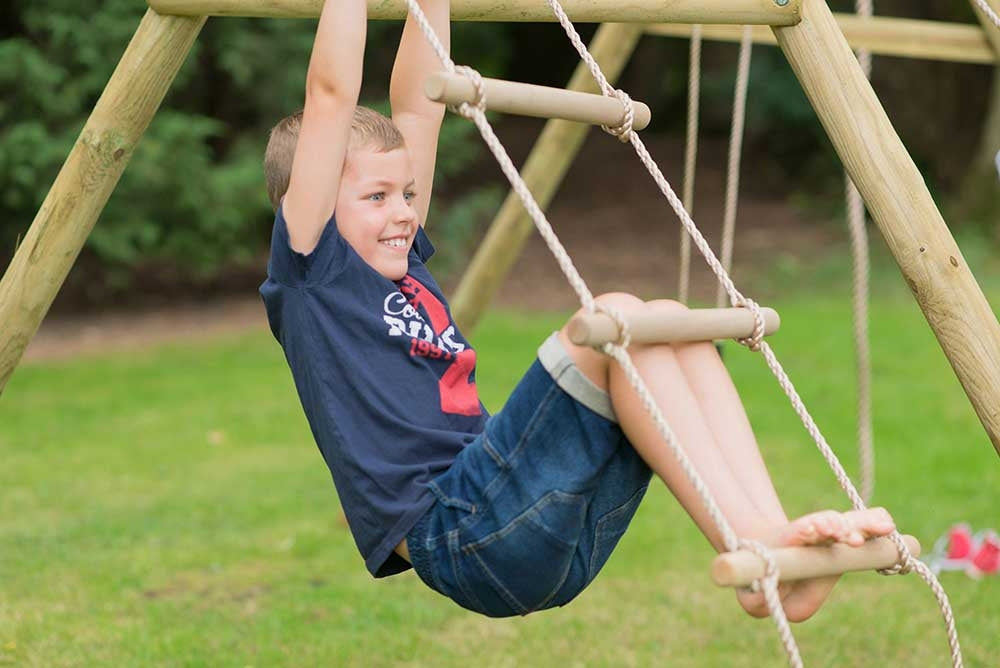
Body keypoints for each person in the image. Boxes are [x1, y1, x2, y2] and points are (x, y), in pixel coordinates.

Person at [259, 0, 896, 622]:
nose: (404, 211)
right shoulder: (316, 275)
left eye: (406, 193)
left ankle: (769, 550)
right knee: (614, 319)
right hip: (462, 533)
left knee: (666, 322)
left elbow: (418, 108)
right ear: (309, 202)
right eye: (377, 197)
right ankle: (755, 544)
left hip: (537, 522)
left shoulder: (403, 262)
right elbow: (330, 95)